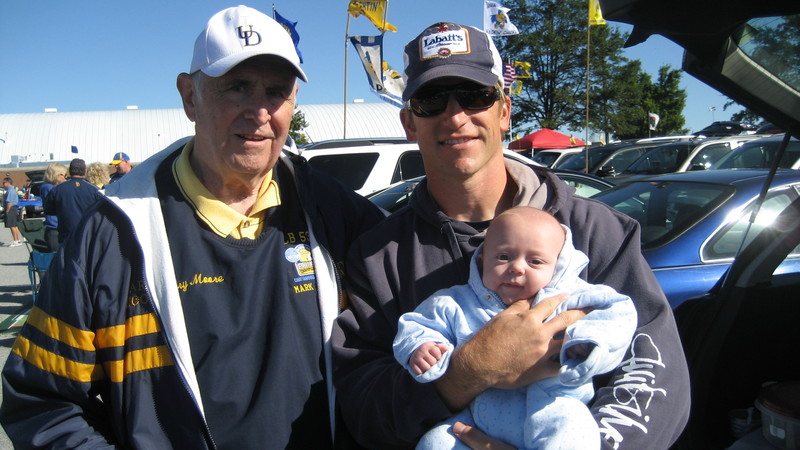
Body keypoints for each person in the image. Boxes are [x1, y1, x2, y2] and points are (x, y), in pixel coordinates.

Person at [0, 5, 384, 449]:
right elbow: (41, 401)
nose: (259, 111)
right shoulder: (114, 234)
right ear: (189, 97)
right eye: (236, 87)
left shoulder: (334, 213)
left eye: (276, 91)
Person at [332, 22, 690, 449]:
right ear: (410, 122)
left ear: (504, 111)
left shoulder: (598, 232)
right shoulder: (378, 257)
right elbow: (361, 404)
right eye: (431, 101)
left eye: (473, 96)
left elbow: (654, 375)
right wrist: (466, 372)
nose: (455, 115)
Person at [394, 207, 636, 449]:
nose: (517, 268)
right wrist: (423, 347)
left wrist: (588, 342)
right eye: (503, 257)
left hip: (553, 405)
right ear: (482, 260)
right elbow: (417, 323)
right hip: (478, 416)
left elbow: (617, 311)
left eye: (535, 261)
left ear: (559, 265)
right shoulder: (455, 302)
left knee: (572, 430)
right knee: (436, 441)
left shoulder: (570, 296)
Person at [43, 158, 102, 244]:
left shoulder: (57, 190)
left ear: (69, 172)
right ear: (85, 171)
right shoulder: (95, 190)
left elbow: (49, 210)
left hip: (66, 236)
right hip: (88, 236)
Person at [39, 162, 68, 251]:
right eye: (64, 175)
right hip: (54, 227)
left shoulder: (54, 187)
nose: (66, 177)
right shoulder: (48, 188)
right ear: (56, 175)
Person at [2, 177, 23, 247]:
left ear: (8, 183)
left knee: (12, 225)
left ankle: (16, 240)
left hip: (10, 209)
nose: (3, 184)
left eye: (4, 183)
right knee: (14, 225)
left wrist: (7, 211)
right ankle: (18, 240)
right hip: (13, 209)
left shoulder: (10, 191)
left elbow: (9, 202)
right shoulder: (12, 190)